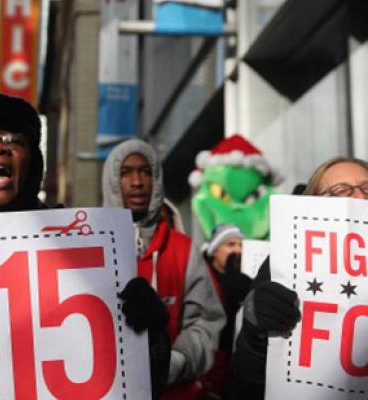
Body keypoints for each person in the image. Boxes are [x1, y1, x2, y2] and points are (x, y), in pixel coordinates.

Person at [232, 156, 368, 399]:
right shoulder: (284, 260)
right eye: (340, 191)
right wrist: (256, 334)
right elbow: (245, 380)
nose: (358, 197)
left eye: (366, 189)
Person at [103, 138, 226, 399]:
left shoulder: (183, 250)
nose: (137, 181)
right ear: (112, 181)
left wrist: (176, 361)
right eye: (126, 173)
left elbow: (206, 322)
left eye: (145, 171)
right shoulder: (91, 248)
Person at [200, 224, 252, 398]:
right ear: (214, 250)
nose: (238, 250)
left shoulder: (245, 282)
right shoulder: (199, 278)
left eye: (241, 245)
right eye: (230, 245)